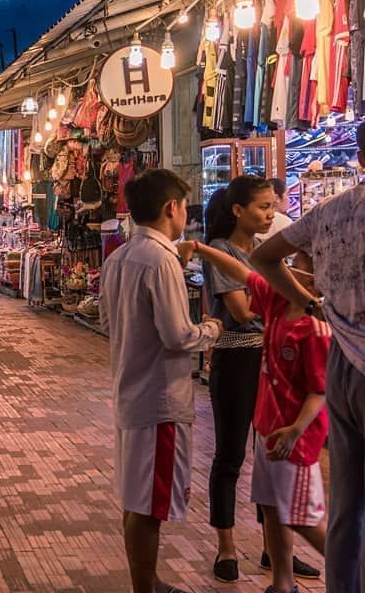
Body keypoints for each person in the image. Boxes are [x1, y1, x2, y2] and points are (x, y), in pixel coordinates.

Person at [251, 121, 365, 593]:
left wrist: (314, 301)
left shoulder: (332, 211)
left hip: (343, 364)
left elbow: (264, 258)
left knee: (347, 506)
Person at [99, 169, 223, 593]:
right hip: (159, 401)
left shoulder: (119, 258)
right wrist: (211, 329)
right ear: (172, 207)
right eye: (184, 206)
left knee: (136, 498)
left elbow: (106, 320)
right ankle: (145, 587)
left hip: (130, 394)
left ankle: (147, 580)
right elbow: (177, 335)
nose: (185, 214)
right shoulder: (160, 260)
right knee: (149, 504)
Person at [182, 241, 329, 593]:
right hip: (269, 430)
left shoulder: (316, 330)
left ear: (311, 283)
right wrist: (200, 247)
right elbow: (241, 272)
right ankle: (282, 582)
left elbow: (319, 392)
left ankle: (350, 570)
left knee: (302, 518)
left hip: (296, 440)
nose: (286, 269)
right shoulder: (277, 303)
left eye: (295, 265)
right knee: (272, 507)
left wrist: (296, 429)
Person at [202, 176, 311, 581]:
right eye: (263, 207)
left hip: (274, 361)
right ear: (237, 210)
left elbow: (293, 293)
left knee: (273, 458)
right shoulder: (220, 250)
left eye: (273, 206)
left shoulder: (268, 252)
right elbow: (243, 310)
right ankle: (226, 548)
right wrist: (291, 308)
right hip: (238, 357)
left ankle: (275, 550)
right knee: (230, 455)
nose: (271, 214)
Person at [257, 178, 293, 242]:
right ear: (276, 198)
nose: (289, 199)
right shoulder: (285, 222)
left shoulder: (255, 220)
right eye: (287, 194)